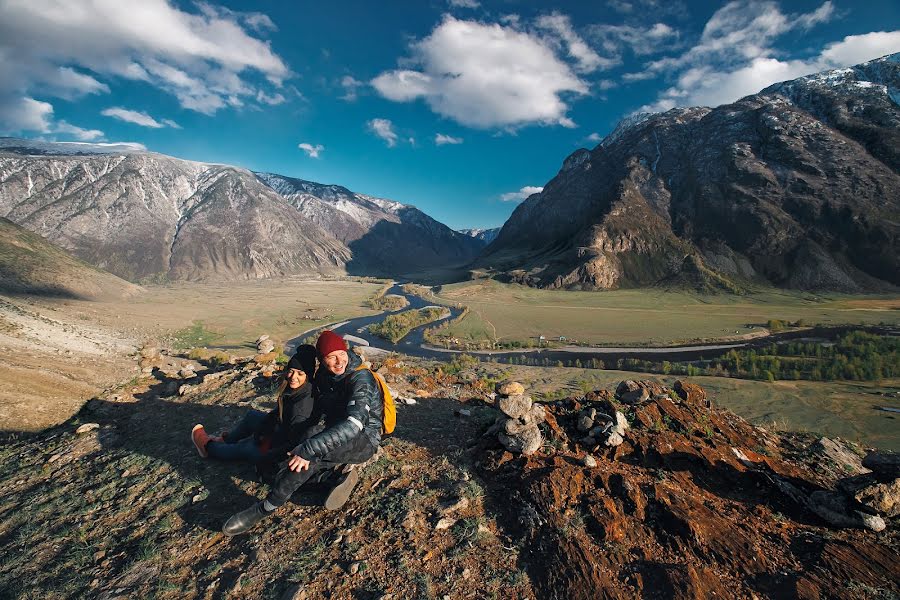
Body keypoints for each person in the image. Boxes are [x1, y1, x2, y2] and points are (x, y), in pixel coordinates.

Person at [222, 330, 382, 536]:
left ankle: (263, 509)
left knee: (308, 449)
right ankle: (327, 479)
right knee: (272, 466)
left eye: (341, 353)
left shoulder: (361, 379)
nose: (338, 361)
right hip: (332, 430)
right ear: (322, 360)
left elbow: (354, 424)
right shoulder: (325, 375)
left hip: (364, 439)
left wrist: (309, 447)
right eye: (331, 357)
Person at [191, 345, 317, 473]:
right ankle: (225, 441)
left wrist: (265, 443)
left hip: (279, 453)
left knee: (246, 447)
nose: (293, 376)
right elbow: (279, 413)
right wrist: (264, 427)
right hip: (279, 431)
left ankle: (208, 448)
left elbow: (292, 441)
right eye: (291, 370)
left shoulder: (301, 407)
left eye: (300, 373)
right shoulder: (297, 390)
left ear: (308, 375)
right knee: (252, 417)